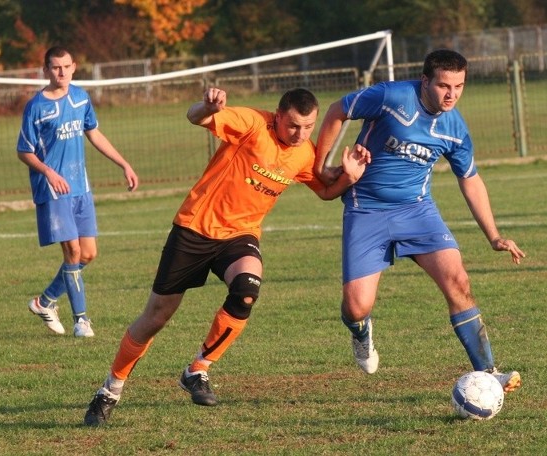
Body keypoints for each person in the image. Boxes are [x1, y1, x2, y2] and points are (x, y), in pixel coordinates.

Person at [83, 87, 370, 426]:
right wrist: (206, 106)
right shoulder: (251, 123)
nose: (301, 134)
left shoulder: (303, 154)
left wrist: (349, 177)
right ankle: (110, 390)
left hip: (240, 236)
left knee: (247, 287)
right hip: (194, 229)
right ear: (277, 115)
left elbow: (323, 191)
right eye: (294, 126)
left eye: (308, 127)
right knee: (156, 317)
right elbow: (197, 118)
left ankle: (198, 368)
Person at [313, 49, 525, 393]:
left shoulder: (455, 128)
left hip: (417, 210)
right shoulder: (390, 97)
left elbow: (469, 179)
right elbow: (340, 109)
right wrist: (321, 164)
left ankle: (489, 373)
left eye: (459, 86)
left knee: (459, 282)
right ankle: (361, 332)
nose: (452, 94)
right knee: (356, 307)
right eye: (444, 85)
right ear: (425, 80)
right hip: (365, 208)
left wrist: (494, 236)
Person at [17, 46, 139, 338]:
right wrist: (48, 172)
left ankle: (44, 301)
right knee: (72, 252)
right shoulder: (36, 107)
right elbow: (24, 151)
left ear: (74, 67)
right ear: (46, 70)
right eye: (56, 67)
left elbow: (94, 133)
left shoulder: (81, 97)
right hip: (53, 190)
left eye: (66, 66)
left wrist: (124, 164)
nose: (62, 72)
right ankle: (81, 320)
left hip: (81, 187)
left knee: (89, 253)